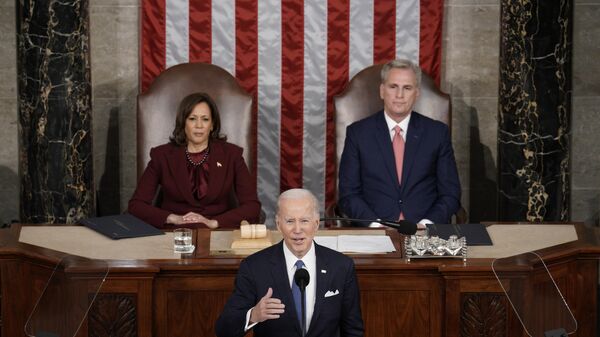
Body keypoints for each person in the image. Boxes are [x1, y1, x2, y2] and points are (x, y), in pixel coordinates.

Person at [215, 188, 364, 337]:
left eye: (304, 221)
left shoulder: (341, 266)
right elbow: (223, 330)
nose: (297, 229)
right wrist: (253, 315)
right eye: (290, 221)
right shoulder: (254, 267)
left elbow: (353, 331)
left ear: (316, 224)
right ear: (279, 224)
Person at [338, 59, 461, 227]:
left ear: (416, 93)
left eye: (407, 88)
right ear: (382, 91)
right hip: (374, 231)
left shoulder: (437, 133)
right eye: (393, 87)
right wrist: (375, 225)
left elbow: (450, 194)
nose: (399, 95)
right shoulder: (358, 133)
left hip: (424, 230)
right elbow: (348, 194)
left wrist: (427, 224)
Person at [128, 92, 261, 228]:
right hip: (174, 232)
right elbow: (136, 205)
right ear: (183, 123)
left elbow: (252, 206)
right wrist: (173, 218)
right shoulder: (162, 156)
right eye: (192, 119)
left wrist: (213, 222)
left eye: (205, 119)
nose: (199, 125)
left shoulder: (232, 155)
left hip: (218, 231)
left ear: (212, 125)